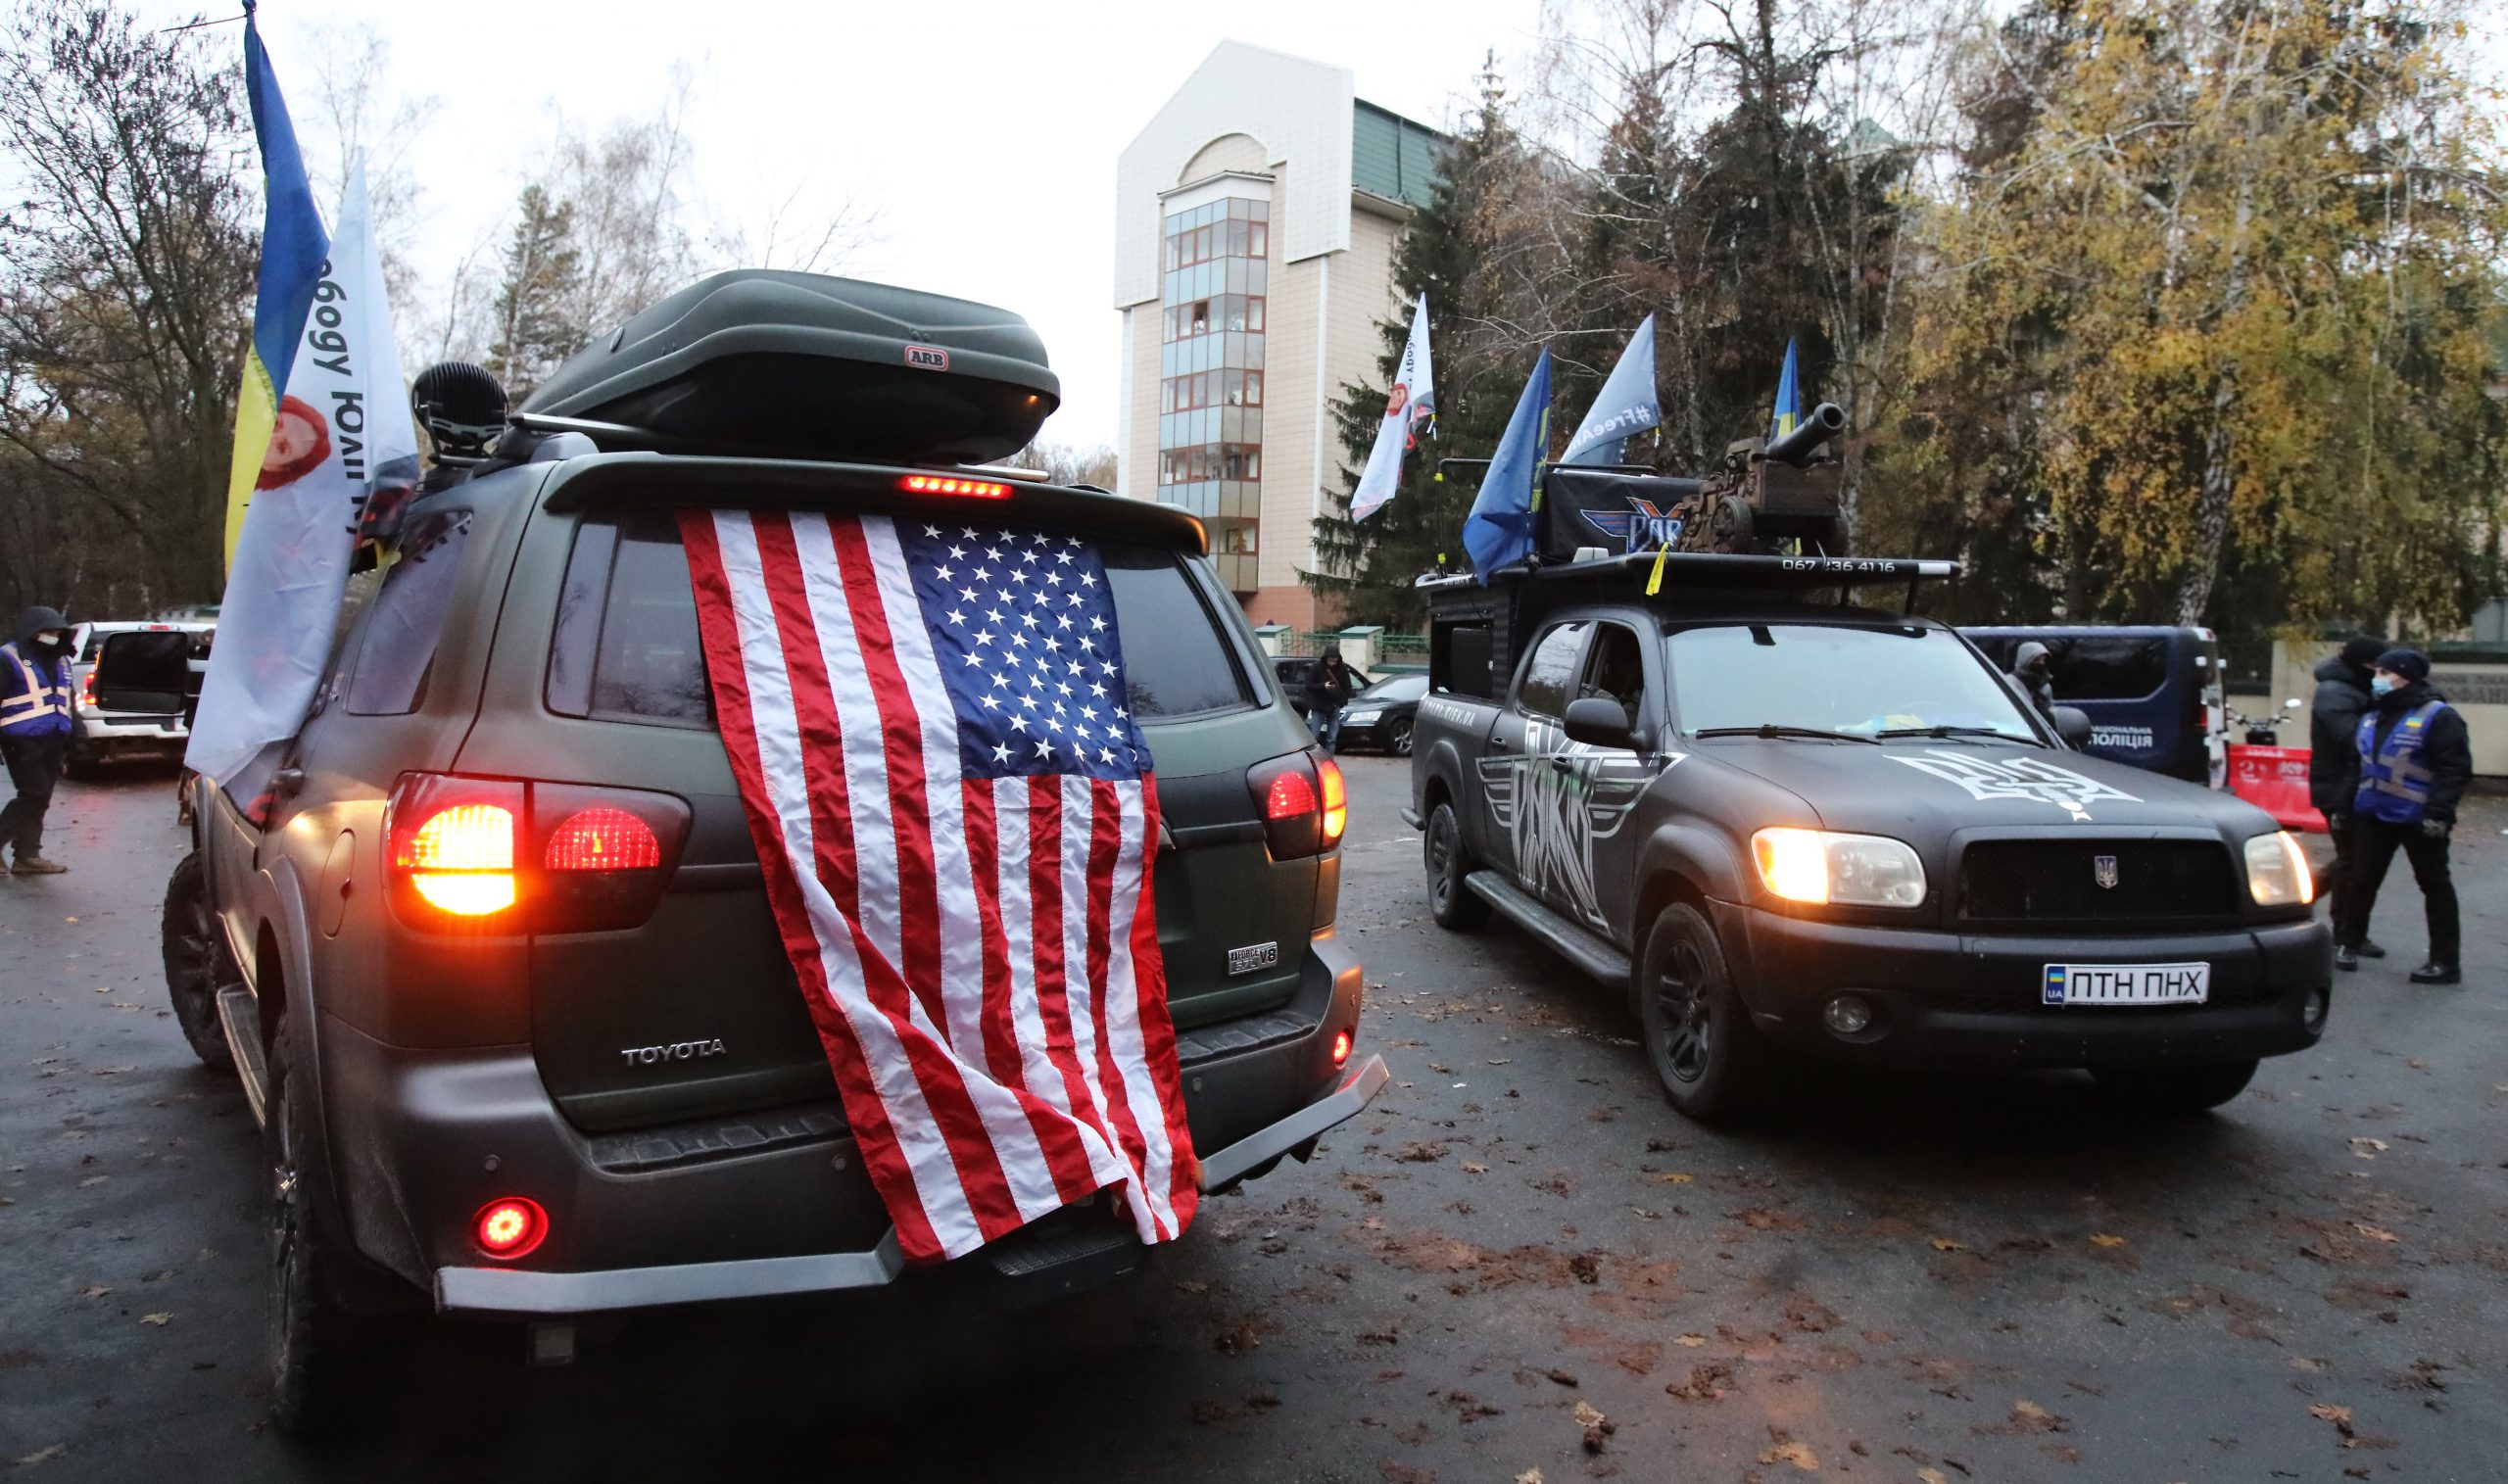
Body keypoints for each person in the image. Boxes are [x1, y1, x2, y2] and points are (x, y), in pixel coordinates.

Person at [2335, 648, 2470, 983]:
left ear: (2405, 676)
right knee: (2361, 879)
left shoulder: (2438, 715)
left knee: (2435, 885)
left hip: (2419, 817)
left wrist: (2438, 813)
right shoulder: (2373, 714)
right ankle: (2349, 942)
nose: (2376, 678)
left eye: (2384, 672)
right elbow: (2356, 766)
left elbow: (2453, 769)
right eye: (2376, 672)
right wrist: (2342, 807)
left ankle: (2445, 962)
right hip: (2373, 813)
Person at [2310, 635, 2389, 956]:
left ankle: (2347, 927)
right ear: (2365, 665)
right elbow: (2354, 739)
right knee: (2354, 859)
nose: (2381, 674)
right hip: (2339, 787)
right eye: (2377, 667)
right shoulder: (2335, 692)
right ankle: (2344, 929)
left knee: (2356, 858)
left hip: (2353, 785)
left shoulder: (2355, 688)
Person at [0, 605, 76, 876]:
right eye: (48, 631)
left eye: (57, 632)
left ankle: (27, 855)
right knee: (35, 794)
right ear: (32, 632)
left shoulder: (62, 661)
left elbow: (68, 701)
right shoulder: (8, 657)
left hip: (53, 737)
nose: (53, 636)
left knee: (41, 798)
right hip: (19, 738)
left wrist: (76, 737)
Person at [1304, 648, 1356, 755]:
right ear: (1326, 658)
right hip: (1319, 706)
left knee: (1332, 738)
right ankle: (1314, 758)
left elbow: (1347, 687)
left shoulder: (1342, 669)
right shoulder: (1317, 667)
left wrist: (1341, 701)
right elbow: (1309, 686)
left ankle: (1329, 759)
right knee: (1314, 736)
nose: (1332, 663)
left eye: (1335, 660)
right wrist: (1323, 686)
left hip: (1334, 706)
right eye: (1330, 660)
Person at [2010, 641, 2056, 720]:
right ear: (2025, 660)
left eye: (2043, 660)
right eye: (2036, 660)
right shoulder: (2011, 682)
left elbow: (2050, 710)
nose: (2041, 663)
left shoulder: (2045, 686)